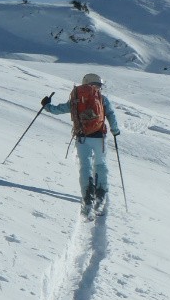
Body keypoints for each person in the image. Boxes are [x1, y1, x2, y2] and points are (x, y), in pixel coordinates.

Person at [42, 73, 120, 213]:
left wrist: (47, 105)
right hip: (99, 138)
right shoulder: (102, 99)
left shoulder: (77, 99)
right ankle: (100, 197)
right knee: (100, 164)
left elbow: (59, 109)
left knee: (85, 166)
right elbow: (111, 115)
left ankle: (88, 199)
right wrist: (115, 130)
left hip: (82, 137)